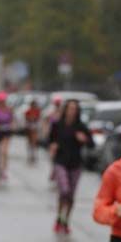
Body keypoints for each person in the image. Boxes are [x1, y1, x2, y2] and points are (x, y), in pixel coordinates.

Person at [48, 99, 93, 234]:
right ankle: (58, 218)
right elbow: (49, 139)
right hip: (60, 161)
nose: (72, 111)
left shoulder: (81, 126)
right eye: (70, 108)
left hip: (75, 163)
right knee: (64, 191)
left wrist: (84, 139)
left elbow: (91, 144)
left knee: (71, 195)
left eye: (75, 109)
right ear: (65, 110)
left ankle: (65, 221)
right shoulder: (57, 125)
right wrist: (52, 145)